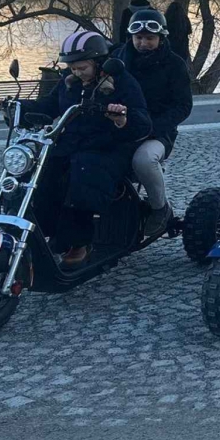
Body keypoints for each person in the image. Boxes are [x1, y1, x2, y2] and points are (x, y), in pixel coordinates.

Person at [19, 30, 151, 267]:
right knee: (42, 176)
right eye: (72, 68)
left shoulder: (122, 82)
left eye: (82, 68)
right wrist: (19, 107)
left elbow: (142, 121)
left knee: (83, 176)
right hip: (71, 144)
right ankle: (48, 234)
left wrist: (121, 119)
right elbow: (48, 105)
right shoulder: (69, 83)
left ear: (99, 63)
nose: (77, 73)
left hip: (108, 147)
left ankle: (80, 242)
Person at [114, 8, 193, 237]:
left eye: (149, 38)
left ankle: (160, 208)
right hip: (120, 127)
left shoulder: (175, 64)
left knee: (144, 160)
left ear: (161, 38)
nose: (143, 43)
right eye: (138, 38)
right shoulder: (117, 58)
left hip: (158, 132)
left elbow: (183, 106)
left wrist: (153, 128)